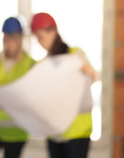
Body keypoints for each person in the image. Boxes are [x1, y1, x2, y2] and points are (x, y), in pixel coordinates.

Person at [30, 12, 97, 158]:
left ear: (53, 31)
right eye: (37, 38)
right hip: (54, 132)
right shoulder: (43, 65)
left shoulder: (75, 55)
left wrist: (88, 70)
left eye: (41, 37)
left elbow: (94, 77)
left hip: (77, 131)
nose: (40, 42)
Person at [0, 17, 36, 158]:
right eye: (6, 39)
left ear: (20, 40)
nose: (9, 44)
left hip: (15, 131)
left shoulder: (30, 65)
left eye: (12, 39)